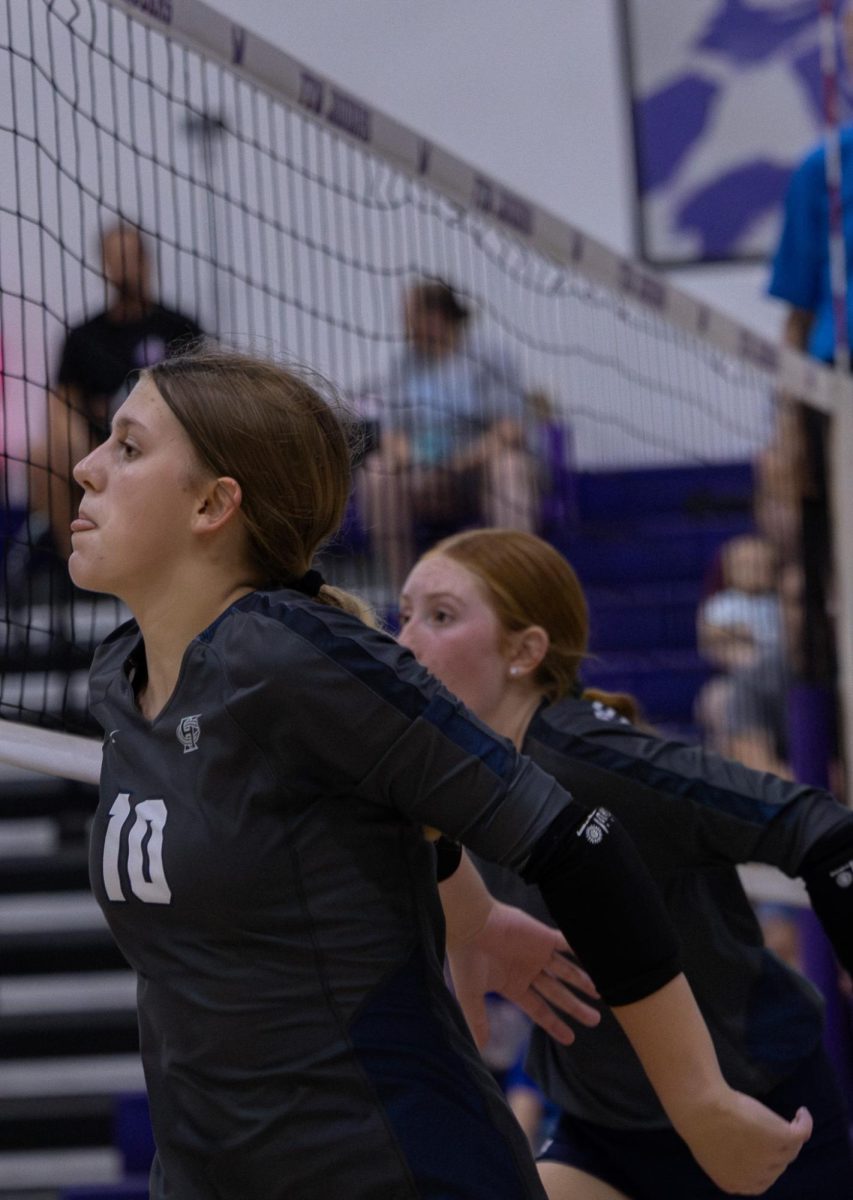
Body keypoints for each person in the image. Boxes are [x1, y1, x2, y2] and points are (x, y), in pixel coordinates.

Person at [69, 346, 811, 1200]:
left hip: (390, 1169)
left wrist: (698, 1099)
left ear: (212, 504)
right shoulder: (121, 675)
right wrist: (473, 915)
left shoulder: (290, 652)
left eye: (127, 447)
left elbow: (581, 845)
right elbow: (335, 812)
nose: (86, 468)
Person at [398, 527, 853, 1200]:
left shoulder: (599, 762)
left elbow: (820, 828)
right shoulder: (433, 780)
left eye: (439, 616)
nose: (405, 642)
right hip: (600, 1132)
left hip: (752, 1109)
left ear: (524, 652)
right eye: (403, 614)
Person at [30, 221, 202, 560]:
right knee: (40, 458)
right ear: (104, 265)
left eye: (129, 257)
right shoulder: (83, 337)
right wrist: (81, 445)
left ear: (146, 262)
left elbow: (203, 397)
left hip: (167, 442)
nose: (123, 267)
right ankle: (76, 567)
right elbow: (62, 402)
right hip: (99, 444)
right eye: (114, 258)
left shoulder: (178, 327)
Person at [357, 278, 538, 589]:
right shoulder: (405, 365)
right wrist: (416, 464)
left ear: (436, 316)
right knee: (376, 473)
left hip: (478, 468)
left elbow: (509, 428)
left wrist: (458, 464)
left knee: (510, 468)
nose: (405, 326)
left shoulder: (489, 356)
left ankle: (516, 583)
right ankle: (404, 587)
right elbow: (392, 434)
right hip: (424, 473)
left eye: (409, 316)